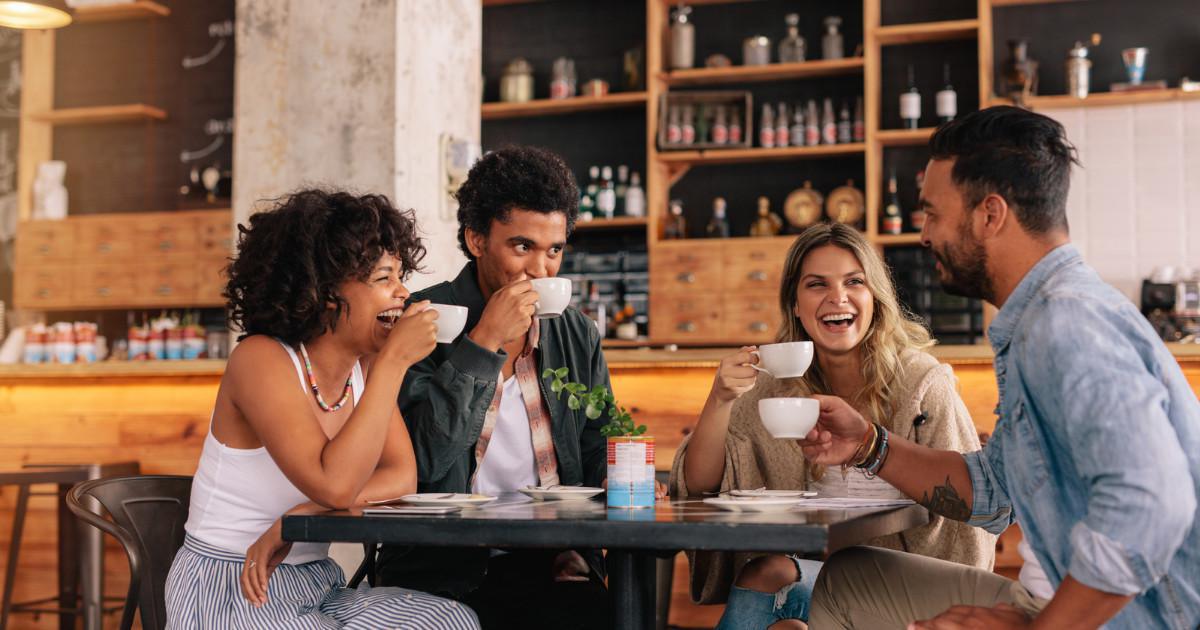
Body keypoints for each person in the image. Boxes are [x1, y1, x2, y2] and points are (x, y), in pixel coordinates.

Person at [803, 106, 1200, 629]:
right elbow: (992, 493)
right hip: (1055, 598)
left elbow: (1151, 503)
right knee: (848, 578)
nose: (924, 235)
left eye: (933, 214)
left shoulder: (1064, 324)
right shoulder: (1045, 316)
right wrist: (867, 444)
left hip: (1139, 619)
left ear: (990, 215)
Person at [164, 190, 479, 629]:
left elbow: (400, 477)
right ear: (327, 290)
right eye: (384, 277)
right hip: (233, 584)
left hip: (314, 583)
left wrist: (302, 515)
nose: (403, 292)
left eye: (400, 275)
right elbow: (335, 486)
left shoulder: (363, 368)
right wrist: (394, 362)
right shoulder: (260, 360)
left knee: (448, 620)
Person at [670, 223, 994, 629]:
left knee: (777, 594)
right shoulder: (775, 389)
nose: (837, 297)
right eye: (817, 284)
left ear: (875, 296)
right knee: (774, 589)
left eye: (854, 281)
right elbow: (699, 487)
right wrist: (719, 398)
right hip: (821, 580)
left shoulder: (922, 384)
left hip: (910, 588)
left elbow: (967, 520)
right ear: (795, 303)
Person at [375, 146, 621, 629]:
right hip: (447, 568)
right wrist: (484, 341)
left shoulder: (576, 333)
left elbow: (598, 441)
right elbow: (422, 461)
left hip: (554, 561)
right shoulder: (423, 319)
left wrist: (617, 475)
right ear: (476, 239)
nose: (541, 270)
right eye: (522, 247)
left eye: (554, 250)